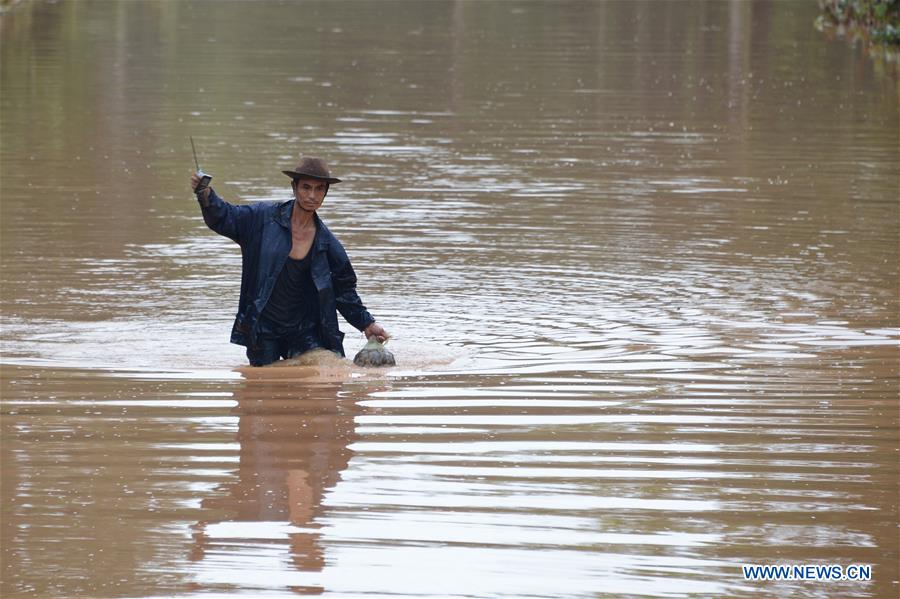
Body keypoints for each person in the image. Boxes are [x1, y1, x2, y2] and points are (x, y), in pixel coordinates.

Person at [190, 156, 389, 366]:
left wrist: (367, 324)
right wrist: (205, 194)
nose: (312, 196)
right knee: (262, 387)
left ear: (325, 192)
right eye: (306, 187)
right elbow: (225, 216)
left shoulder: (328, 244)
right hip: (264, 328)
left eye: (319, 189)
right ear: (294, 187)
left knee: (322, 385)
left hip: (305, 330)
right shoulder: (262, 219)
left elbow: (344, 291)